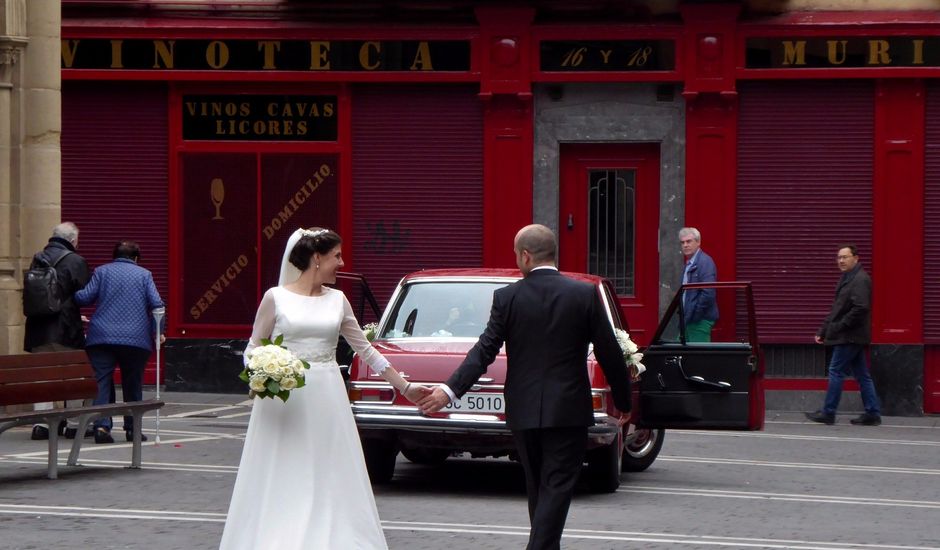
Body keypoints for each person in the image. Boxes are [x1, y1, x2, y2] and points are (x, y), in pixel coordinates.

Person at [418, 224, 632, 550]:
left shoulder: (508, 297)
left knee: (539, 488)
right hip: (569, 410)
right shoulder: (584, 294)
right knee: (556, 488)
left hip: (523, 409)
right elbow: (609, 351)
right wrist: (623, 399)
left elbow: (484, 351)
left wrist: (449, 390)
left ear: (526, 255)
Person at [219, 227, 431, 550]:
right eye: (336, 256)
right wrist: (264, 370)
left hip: (327, 394)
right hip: (285, 397)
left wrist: (405, 386)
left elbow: (367, 350)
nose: (342, 263)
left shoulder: (338, 300)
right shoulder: (275, 298)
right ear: (316, 259)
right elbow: (253, 347)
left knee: (327, 465)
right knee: (286, 465)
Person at [74, 240, 165, 444]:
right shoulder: (144, 275)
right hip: (136, 338)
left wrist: (71, 289)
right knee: (133, 383)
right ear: (135, 258)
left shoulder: (101, 272)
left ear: (114, 256)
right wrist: (158, 331)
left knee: (101, 381)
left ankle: (102, 428)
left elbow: (84, 298)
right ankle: (133, 429)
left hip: (101, 337)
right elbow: (157, 305)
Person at [23, 222, 90, 440]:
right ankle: (72, 424)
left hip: (38, 328)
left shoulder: (38, 257)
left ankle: (42, 426)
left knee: (43, 376)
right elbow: (84, 293)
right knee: (72, 376)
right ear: (72, 241)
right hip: (66, 328)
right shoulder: (76, 261)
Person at [805, 245, 881, 426]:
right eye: (839, 257)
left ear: (856, 258)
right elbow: (837, 308)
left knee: (836, 371)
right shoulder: (848, 278)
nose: (841, 261)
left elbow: (860, 308)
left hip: (849, 335)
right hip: (849, 334)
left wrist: (839, 326)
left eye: (845, 257)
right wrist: (823, 330)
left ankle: (829, 412)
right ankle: (873, 413)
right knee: (862, 375)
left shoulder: (860, 279)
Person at [678, 227, 718, 342]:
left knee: (699, 357)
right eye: (682, 242)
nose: (685, 245)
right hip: (688, 320)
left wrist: (695, 315)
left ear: (698, 242)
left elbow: (708, 293)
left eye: (689, 241)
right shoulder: (689, 263)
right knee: (679, 352)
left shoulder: (705, 262)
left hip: (699, 321)